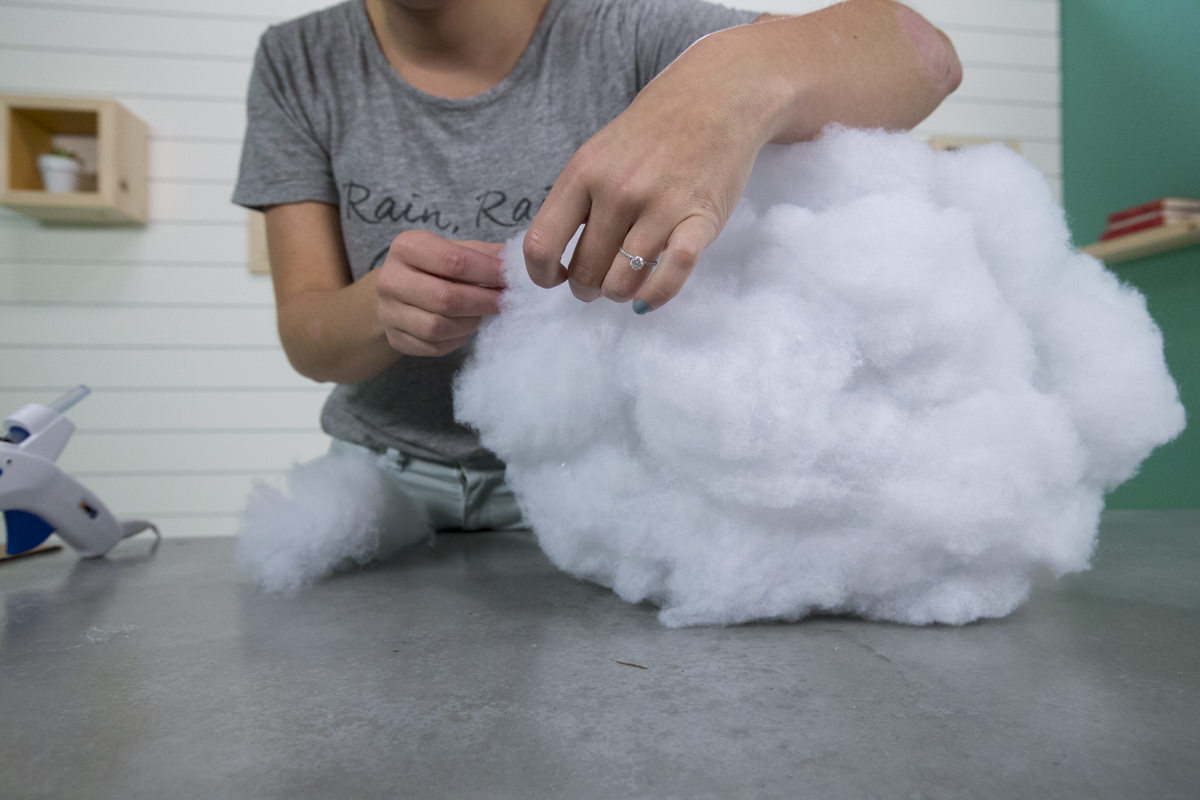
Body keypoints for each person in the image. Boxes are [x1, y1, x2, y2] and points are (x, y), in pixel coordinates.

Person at [233, 0, 961, 533]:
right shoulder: (298, 62)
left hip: (586, 492)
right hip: (375, 492)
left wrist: (732, 80)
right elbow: (308, 336)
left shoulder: (626, 30)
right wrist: (380, 310)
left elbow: (924, 58)